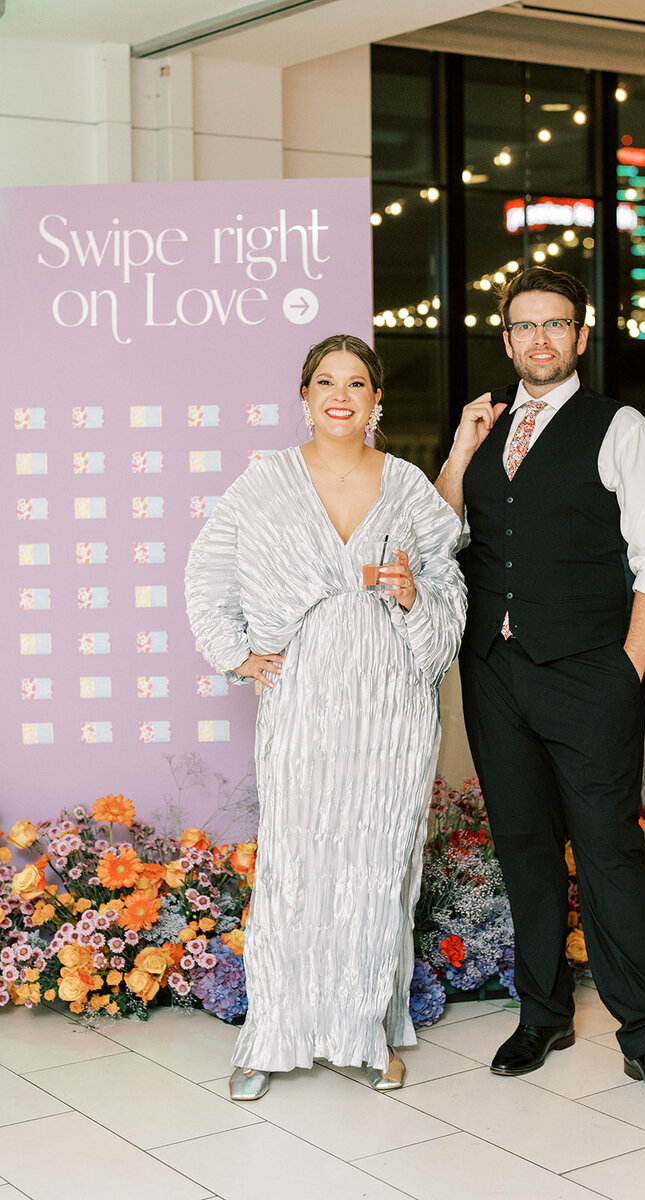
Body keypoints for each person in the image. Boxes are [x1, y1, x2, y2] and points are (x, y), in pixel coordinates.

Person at [435, 267, 645, 1110]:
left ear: (581, 337)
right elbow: (445, 536)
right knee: (524, 847)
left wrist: (627, 667)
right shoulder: (488, 428)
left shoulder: (619, 427)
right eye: (524, 327)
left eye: (556, 325)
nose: (539, 340)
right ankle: (544, 1012)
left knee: (610, 852)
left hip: (590, 671)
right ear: (507, 339)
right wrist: (460, 450)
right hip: (495, 673)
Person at [186, 334, 465, 1099]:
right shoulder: (264, 484)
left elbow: (449, 588)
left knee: (377, 865)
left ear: (379, 400)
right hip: (304, 694)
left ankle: (362, 1033)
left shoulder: (408, 488)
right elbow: (207, 572)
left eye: (358, 383)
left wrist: (414, 596)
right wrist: (236, 653)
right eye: (324, 382)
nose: (340, 395)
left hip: (393, 700)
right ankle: (271, 1035)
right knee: (295, 865)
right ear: (303, 396)